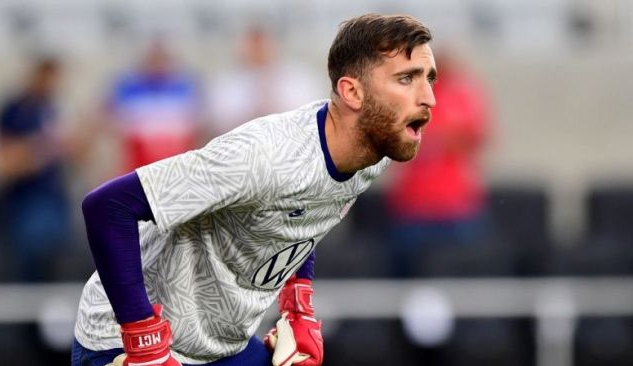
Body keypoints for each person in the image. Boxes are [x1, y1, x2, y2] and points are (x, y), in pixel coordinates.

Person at [72, 13, 437, 366]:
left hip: (220, 344)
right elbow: (107, 207)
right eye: (406, 79)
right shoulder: (260, 156)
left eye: (428, 78)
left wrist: (298, 304)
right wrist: (144, 340)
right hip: (126, 342)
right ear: (352, 92)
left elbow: (306, 211)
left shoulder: (374, 152)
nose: (429, 99)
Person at [383, 47, 492, 277]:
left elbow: (474, 139)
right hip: (413, 206)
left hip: (456, 206)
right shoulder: (405, 96)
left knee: (465, 274)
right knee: (406, 276)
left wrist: (435, 140)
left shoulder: (464, 94)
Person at [0, 57, 72, 282]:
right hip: (27, 201)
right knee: (30, 264)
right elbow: (5, 162)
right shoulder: (15, 110)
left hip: (55, 197)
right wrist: (42, 149)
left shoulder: (51, 109)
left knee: (57, 262)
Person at [104, 40, 207, 173]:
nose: (158, 64)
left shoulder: (186, 86)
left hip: (177, 162)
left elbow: (199, 121)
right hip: (138, 162)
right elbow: (109, 115)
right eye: (154, 59)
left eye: (161, 59)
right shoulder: (128, 87)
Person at [208, 26, 321, 136]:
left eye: (263, 43)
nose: (259, 49)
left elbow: (309, 115)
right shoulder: (228, 81)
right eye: (253, 44)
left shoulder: (297, 77)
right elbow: (220, 121)